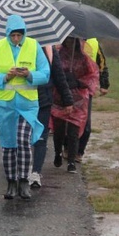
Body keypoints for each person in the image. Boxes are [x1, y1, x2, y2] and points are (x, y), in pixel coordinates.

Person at [0, 15, 50, 200]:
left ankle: (24, 181)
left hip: (27, 104)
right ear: (8, 33)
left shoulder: (34, 46)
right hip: (4, 104)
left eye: (19, 35)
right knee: (9, 144)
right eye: (13, 35)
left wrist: (30, 74)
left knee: (24, 141)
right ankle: (11, 182)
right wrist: (4, 77)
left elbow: (45, 73)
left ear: (24, 33)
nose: (16, 38)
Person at [50, 35, 99, 174]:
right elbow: (51, 72)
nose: (70, 42)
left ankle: (71, 161)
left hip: (78, 99)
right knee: (58, 129)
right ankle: (58, 152)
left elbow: (92, 76)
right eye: (68, 39)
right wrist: (61, 79)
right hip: (59, 97)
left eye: (73, 40)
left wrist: (78, 82)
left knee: (74, 130)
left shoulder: (84, 58)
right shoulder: (57, 54)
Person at [29, 46, 73, 189]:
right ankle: (22, 170)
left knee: (41, 138)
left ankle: (36, 172)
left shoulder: (49, 49)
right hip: (22, 102)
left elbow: (58, 75)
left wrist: (68, 100)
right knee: (22, 138)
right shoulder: (17, 48)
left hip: (43, 101)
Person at [77, 37, 110, 162]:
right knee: (68, 120)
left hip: (87, 88)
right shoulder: (66, 40)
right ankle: (67, 147)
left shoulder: (93, 43)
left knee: (85, 122)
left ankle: (79, 151)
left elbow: (102, 64)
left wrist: (104, 84)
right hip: (69, 87)